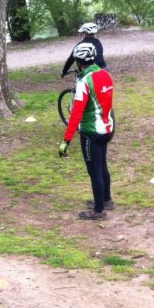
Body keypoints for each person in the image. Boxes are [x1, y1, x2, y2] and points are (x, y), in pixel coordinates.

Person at [58, 42, 115, 221]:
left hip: (91, 132)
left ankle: (98, 211)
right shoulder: (106, 75)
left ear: (78, 62)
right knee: (102, 166)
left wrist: (66, 141)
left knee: (94, 171)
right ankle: (106, 199)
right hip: (107, 128)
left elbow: (76, 114)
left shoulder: (84, 82)